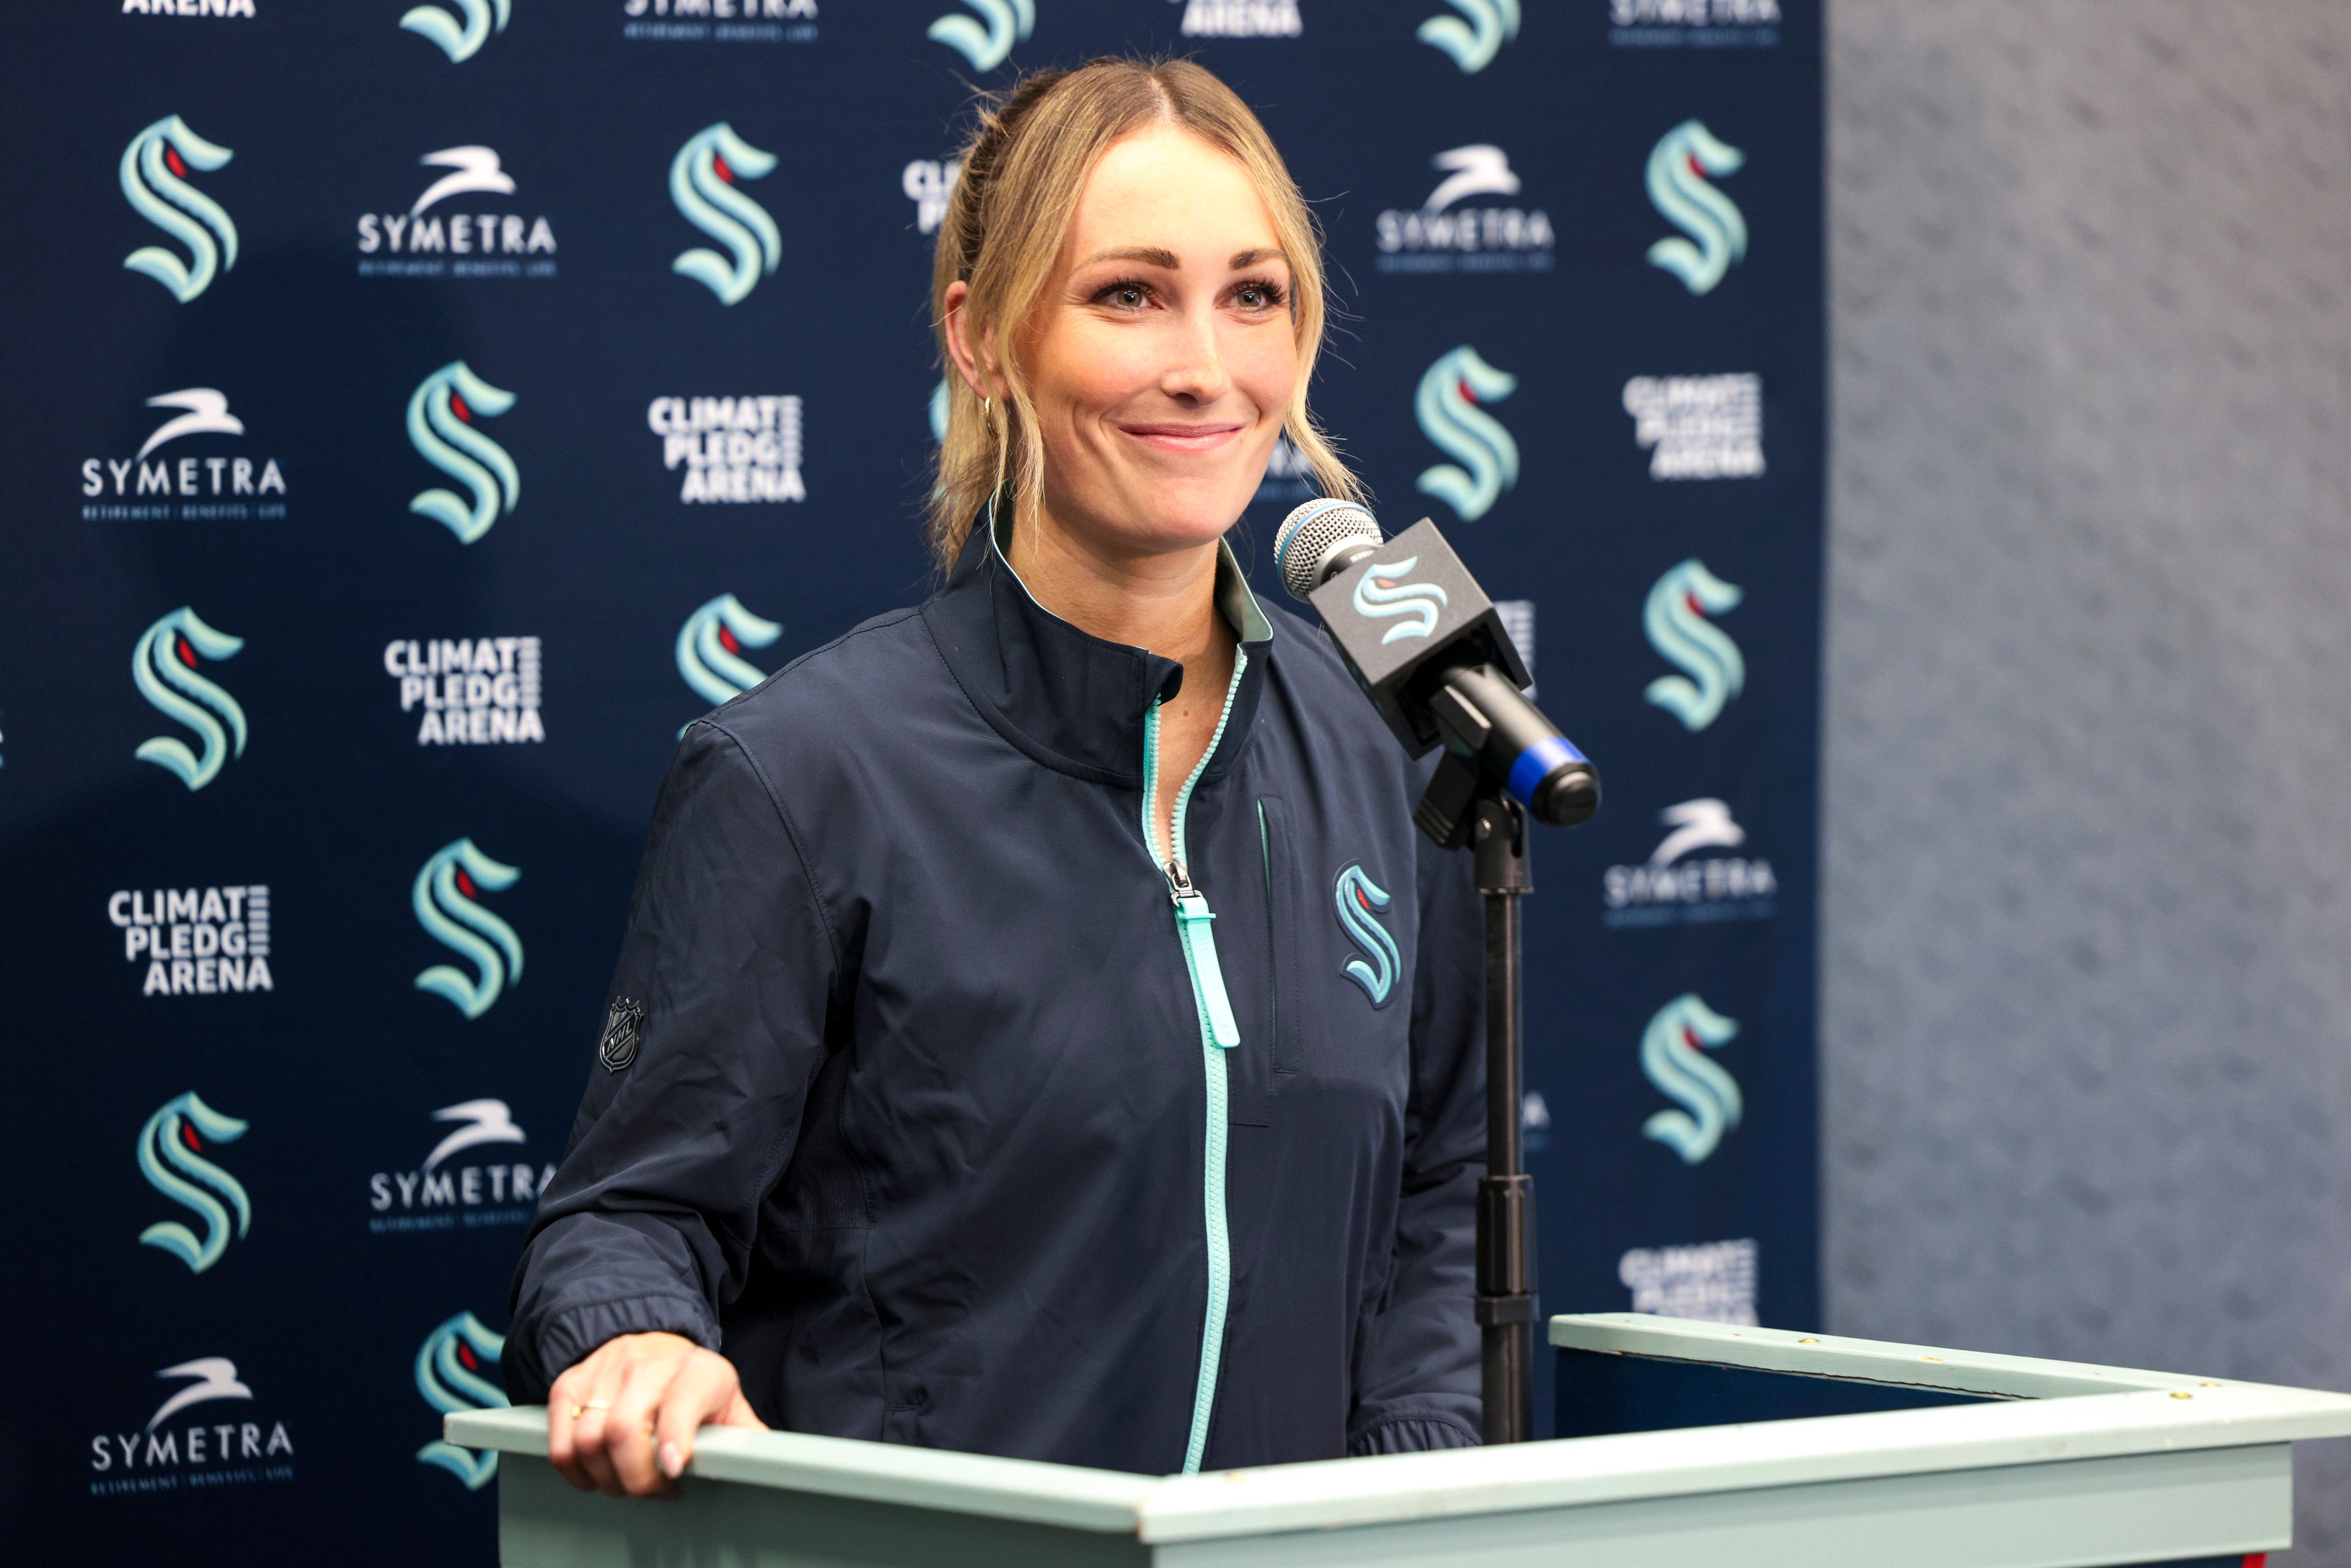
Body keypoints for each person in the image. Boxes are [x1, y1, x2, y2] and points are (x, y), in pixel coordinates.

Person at [505, 57, 1486, 1498]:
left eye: (1252, 295)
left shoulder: (1397, 735)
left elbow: (1443, 1193)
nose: (1206, 367)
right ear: (980, 336)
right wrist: (635, 1332)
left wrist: (1407, 1500)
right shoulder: (801, 771)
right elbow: (629, 1216)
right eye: (1129, 295)